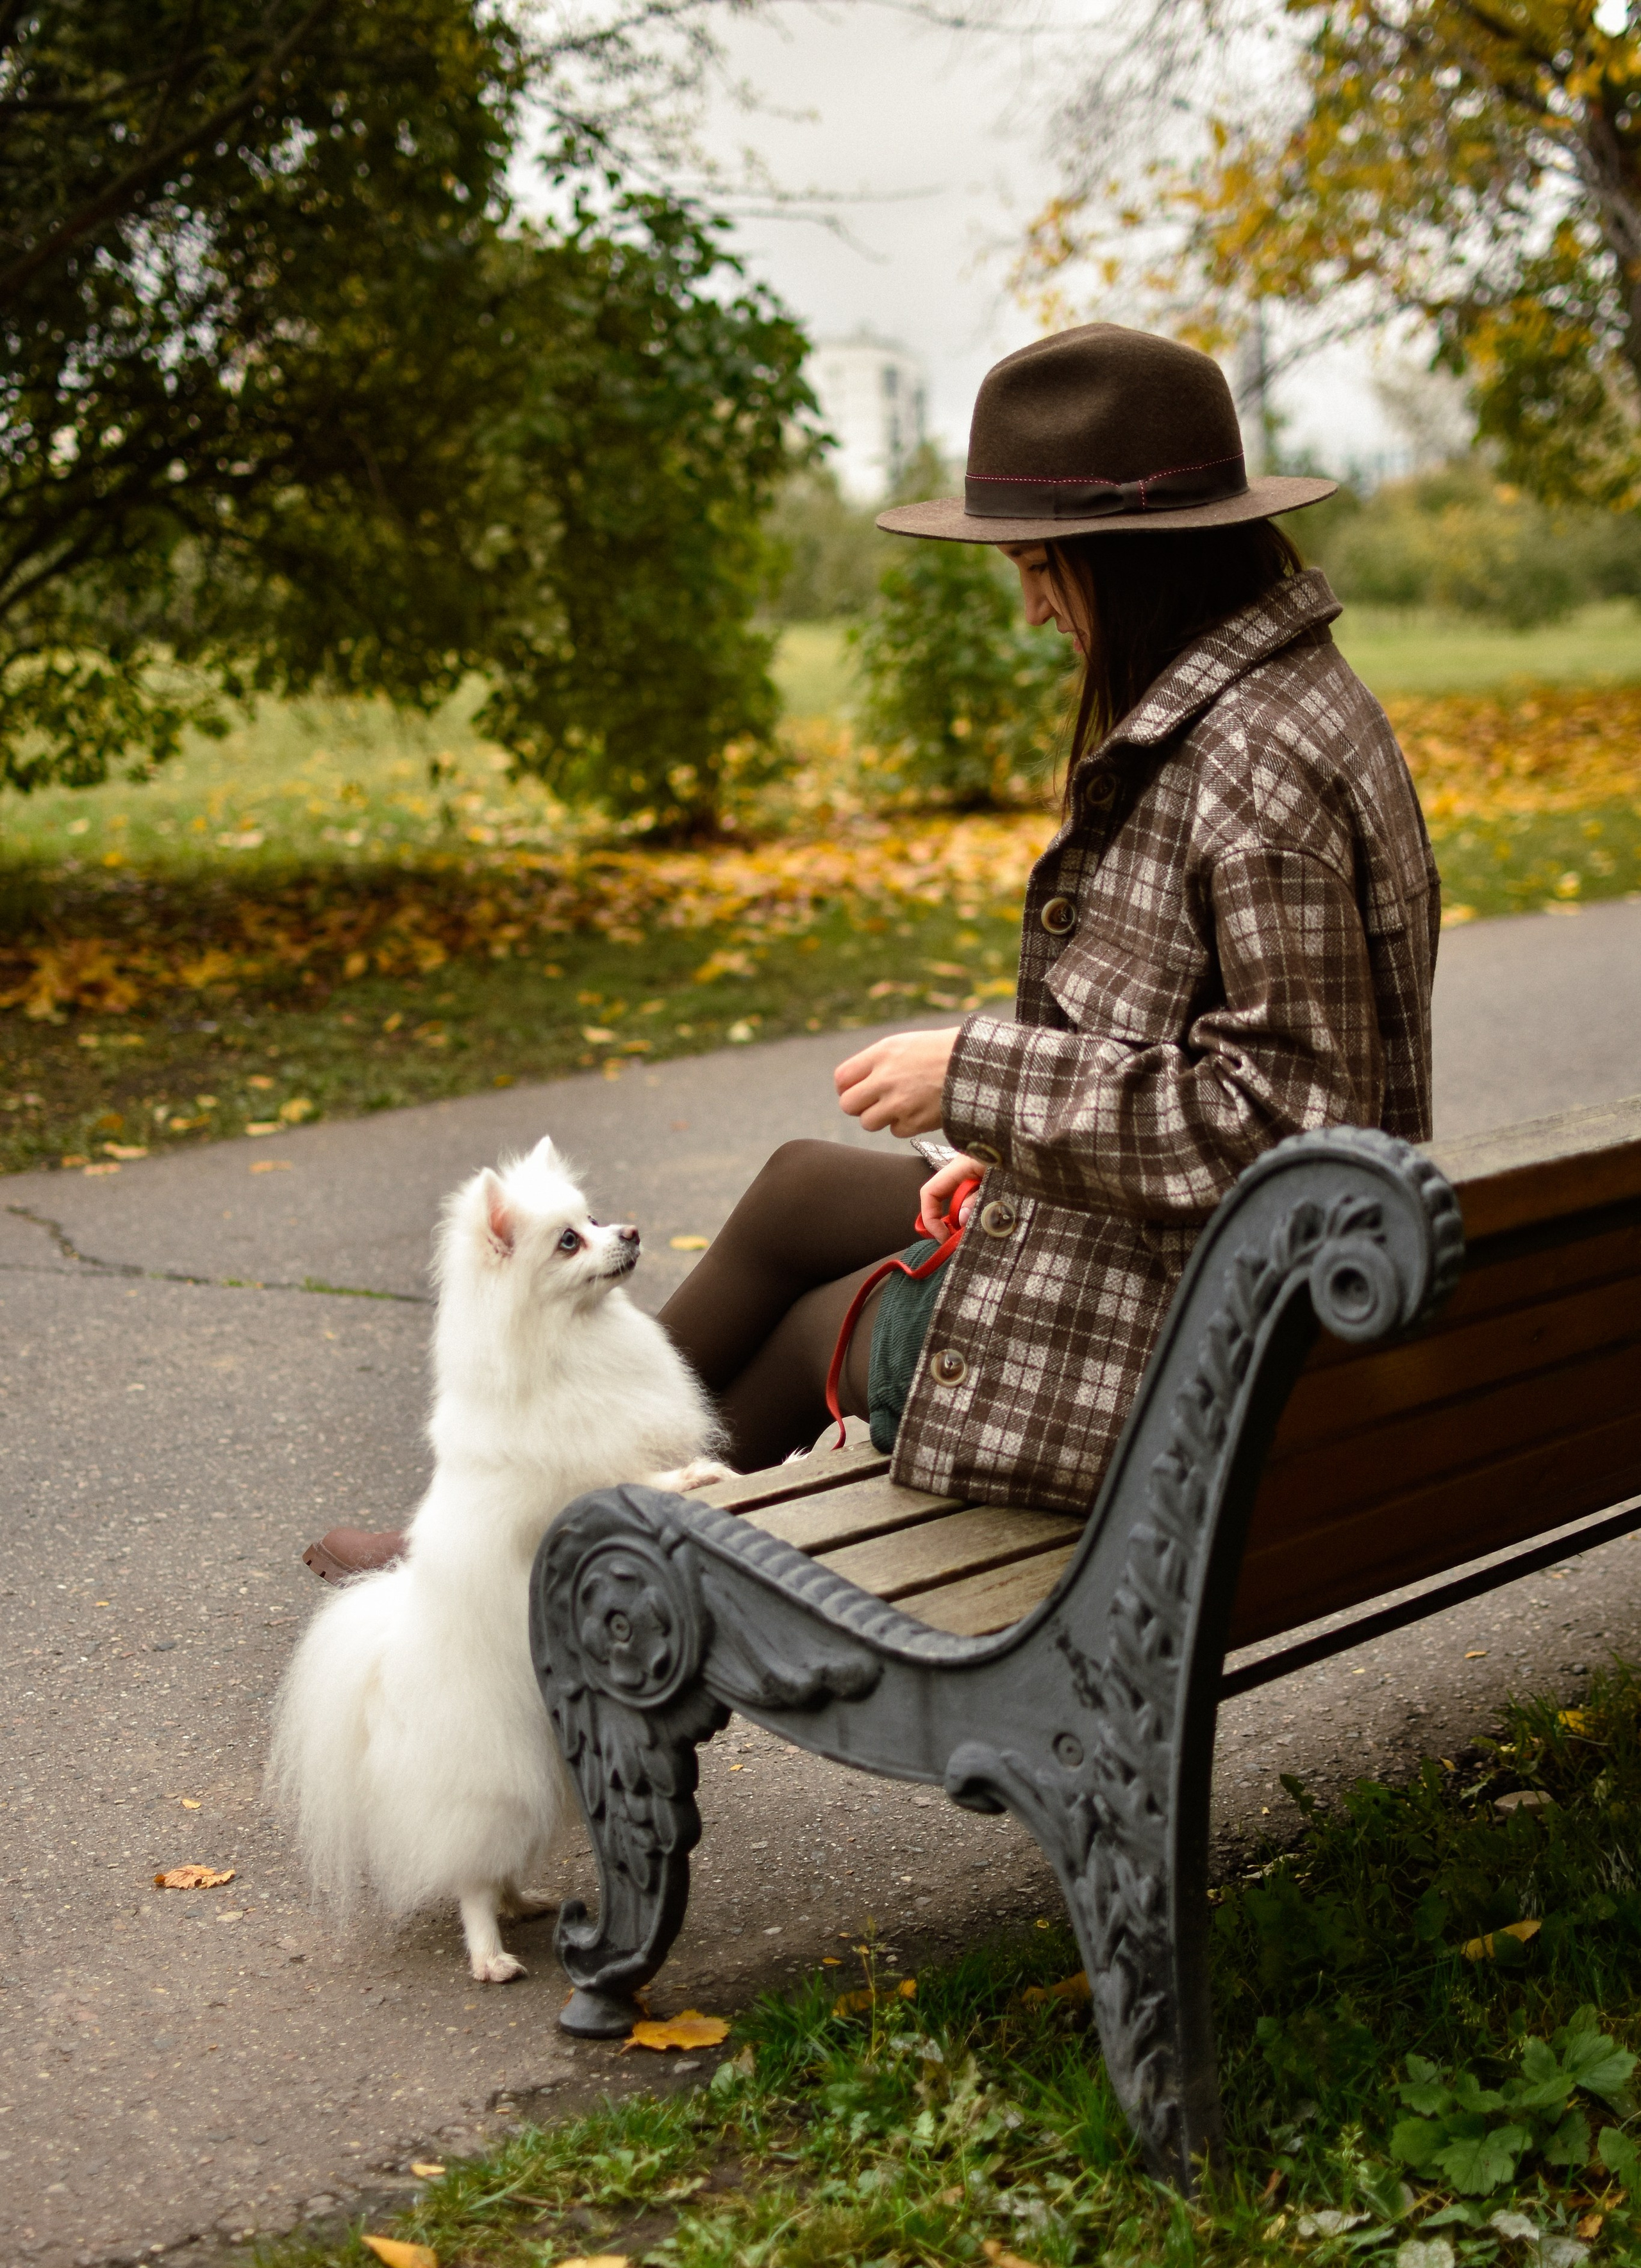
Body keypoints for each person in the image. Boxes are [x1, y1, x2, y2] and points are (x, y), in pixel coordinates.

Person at [304, 319, 1438, 1581]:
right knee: (799, 1188)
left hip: (1201, 1332)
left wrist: (977, 1078)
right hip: (1197, 1259)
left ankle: (571, 1584)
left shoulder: (1253, 764)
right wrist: (1008, 1147)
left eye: (1041, 567)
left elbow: (1283, 1127)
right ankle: (487, 1524)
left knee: (814, 1330)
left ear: (1136, 560)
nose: (1031, 609)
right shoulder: (1281, 703)